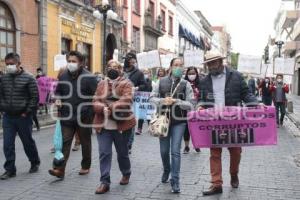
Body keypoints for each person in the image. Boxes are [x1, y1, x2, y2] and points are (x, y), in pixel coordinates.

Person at [199, 52, 257, 196]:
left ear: (220, 61)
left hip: (234, 121)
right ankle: (216, 184)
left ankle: (234, 173)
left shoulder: (236, 76)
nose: (210, 66)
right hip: (214, 122)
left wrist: (255, 104)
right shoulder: (205, 80)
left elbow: (246, 93)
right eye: (208, 64)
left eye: (213, 63)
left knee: (236, 152)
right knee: (214, 153)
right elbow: (201, 98)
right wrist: (200, 105)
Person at [48, 51, 97, 179]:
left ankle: (85, 166)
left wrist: (89, 112)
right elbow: (58, 91)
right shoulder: (63, 76)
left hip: (84, 117)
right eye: (69, 61)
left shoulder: (90, 77)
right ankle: (60, 169)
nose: (70, 63)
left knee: (85, 142)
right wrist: (57, 98)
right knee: (65, 142)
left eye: (73, 61)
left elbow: (96, 97)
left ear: (81, 63)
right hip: (67, 115)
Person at [150, 57, 194, 193]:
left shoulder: (186, 84)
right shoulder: (161, 82)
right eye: (176, 65)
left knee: (175, 151)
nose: (178, 67)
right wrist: (163, 100)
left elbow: (192, 104)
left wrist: (177, 101)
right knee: (164, 151)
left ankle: (175, 180)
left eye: (181, 65)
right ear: (170, 67)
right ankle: (166, 169)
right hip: (163, 120)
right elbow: (151, 98)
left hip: (179, 121)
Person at [93, 60, 136, 194]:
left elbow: (127, 99)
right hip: (103, 125)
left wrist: (110, 107)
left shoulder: (127, 83)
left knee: (122, 153)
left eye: (115, 67)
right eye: (110, 67)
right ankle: (104, 182)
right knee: (104, 153)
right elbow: (95, 101)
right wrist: (102, 108)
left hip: (122, 125)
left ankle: (126, 172)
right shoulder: (101, 83)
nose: (113, 69)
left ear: (120, 69)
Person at [0, 53, 40, 180]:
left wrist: (26, 112)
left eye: (12, 64)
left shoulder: (29, 78)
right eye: (7, 64)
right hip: (8, 117)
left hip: (23, 117)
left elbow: (34, 98)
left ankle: (34, 162)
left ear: (18, 64)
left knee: (27, 142)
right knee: (7, 144)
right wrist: (2, 109)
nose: (9, 66)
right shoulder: (4, 78)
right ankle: (10, 169)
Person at [123, 52, 146, 153]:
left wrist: (137, 88)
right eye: (131, 61)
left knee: (131, 123)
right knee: (122, 122)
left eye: (134, 61)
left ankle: (128, 145)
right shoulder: (121, 71)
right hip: (121, 100)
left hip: (133, 101)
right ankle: (122, 143)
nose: (133, 63)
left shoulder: (139, 73)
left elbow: (144, 85)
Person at [183, 67, 201, 153]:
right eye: (190, 73)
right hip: (186, 108)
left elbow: (203, 96)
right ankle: (186, 146)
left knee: (195, 127)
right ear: (187, 74)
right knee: (186, 128)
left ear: (196, 74)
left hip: (197, 108)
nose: (191, 75)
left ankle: (196, 145)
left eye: (193, 73)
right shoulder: (183, 83)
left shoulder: (200, 83)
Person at [136, 68, 153, 135]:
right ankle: (139, 129)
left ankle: (150, 128)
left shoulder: (152, 82)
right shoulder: (140, 81)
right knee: (141, 115)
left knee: (149, 115)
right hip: (142, 100)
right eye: (144, 72)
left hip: (150, 100)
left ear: (150, 73)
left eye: (147, 72)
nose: (146, 74)